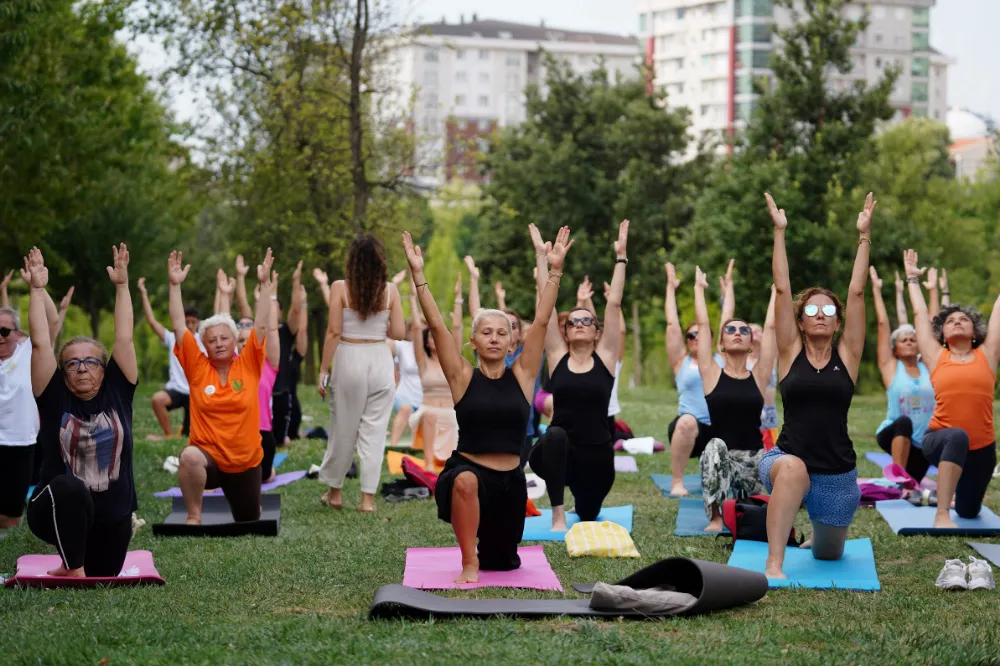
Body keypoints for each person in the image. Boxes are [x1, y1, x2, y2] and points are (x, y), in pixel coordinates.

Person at [406, 225, 566, 584]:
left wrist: (554, 270)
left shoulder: (523, 375)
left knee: (505, 563)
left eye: (502, 333)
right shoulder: (461, 377)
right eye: (485, 332)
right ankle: (468, 562)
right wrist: (419, 276)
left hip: (510, 482)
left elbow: (541, 320)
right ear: (474, 342)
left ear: (513, 344)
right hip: (468, 472)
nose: (494, 338)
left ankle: (488, 555)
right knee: (464, 481)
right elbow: (436, 324)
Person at [760, 192, 874, 579]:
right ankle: (775, 561)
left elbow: (857, 293)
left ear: (838, 322)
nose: (820, 315)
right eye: (812, 310)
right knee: (792, 470)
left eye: (828, 311)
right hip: (787, 458)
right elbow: (781, 288)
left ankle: (817, 536)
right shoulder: (790, 350)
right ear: (801, 320)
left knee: (829, 555)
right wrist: (779, 232)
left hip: (837, 471)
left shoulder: (849, 356)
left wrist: (864, 236)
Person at [24, 245, 138, 577]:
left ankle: (72, 562)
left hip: (112, 516)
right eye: (72, 363)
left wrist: (122, 286)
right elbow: (41, 343)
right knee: (69, 487)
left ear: (105, 368)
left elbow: (125, 338)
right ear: (62, 372)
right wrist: (36, 290)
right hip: (56, 508)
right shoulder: (53, 394)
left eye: (90, 362)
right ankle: (72, 566)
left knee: (105, 573)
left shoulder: (119, 389)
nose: (82, 369)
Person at [529, 220, 629, 530]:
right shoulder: (557, 356)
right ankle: (557, 512)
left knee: (587, 515)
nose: (580, 324)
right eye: (573, 322)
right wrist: (542, 259)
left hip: (597, 457)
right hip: (560, 451)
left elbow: (613, 303)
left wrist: (621, 256)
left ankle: (578, 505)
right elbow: (544, 311)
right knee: (555, 434)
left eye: (587, 320)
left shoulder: (607, 357)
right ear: (566, 332)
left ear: (598, 332)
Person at [171, 249, 280, 525]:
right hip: (209, 460)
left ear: (234, 342)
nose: (218, 343)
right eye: (212, 340)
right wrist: (175, 286)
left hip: (245, 463)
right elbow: (178, 327)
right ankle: (193, 516)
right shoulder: (197, 368)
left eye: (224, 338)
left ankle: (244, 500)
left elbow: (263, 325)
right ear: (204, 346)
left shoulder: (249, 363)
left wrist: (265, 285)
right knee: (189, 457)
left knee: (248, 519)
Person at [903, 248, 1000, 527]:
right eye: (950, 321)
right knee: (956, 436)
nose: (957, 322)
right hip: (940, 440)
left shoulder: (988, 355)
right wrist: (912, 280)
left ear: (975, 332)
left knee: (969, 512)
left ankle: (955, 494)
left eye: (963, 320)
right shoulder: (936, 357)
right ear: (942, 335)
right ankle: (941, 514)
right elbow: (920, 313)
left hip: (982, 449)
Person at [317, 235, 405, 513]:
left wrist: (322, 369)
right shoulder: (390, 290)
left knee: (343, 428)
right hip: (380, 359)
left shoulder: (339, 288)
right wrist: (379, 326)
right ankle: (367, 499)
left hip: (349, 357)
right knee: (375, 432)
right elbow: (399, 333)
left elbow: (333, 332)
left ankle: (336, 493)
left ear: (351, 261)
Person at [694, 270, 777, 532]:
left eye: (744, 330)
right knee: (714, 446)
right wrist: (699, 288)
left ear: (752, 344)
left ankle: (742, 504)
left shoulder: (761, 374)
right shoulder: (710, 372)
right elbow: (703, 325)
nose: (738, 332)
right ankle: (716, 516)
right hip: (721, 459)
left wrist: (777, 293)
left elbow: (773, 328)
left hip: (753, 459)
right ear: (721, 344)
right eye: (730, 330)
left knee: (757, 513)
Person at [0, 268, 67, 528]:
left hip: (20, 443)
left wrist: (38, 288)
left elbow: (52, 322)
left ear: (17, 334)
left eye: (6, 332)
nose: (1, 337)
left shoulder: (27, 353)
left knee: (13, 514)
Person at [663, 261, 732, 497]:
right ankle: (677, 481)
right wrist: (670, 288)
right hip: (690, 429)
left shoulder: (721, 358)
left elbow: (727, 320)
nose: (695, 338)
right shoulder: (681, 361)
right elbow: (672, 324)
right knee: (686, 421)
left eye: (700, 333)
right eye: (690, 335)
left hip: (721, 428)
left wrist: (728, 291)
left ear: (712, 339)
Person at [870, 267, 936, 486]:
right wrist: (877, 290)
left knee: (915, 482)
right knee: (904, 422)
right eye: (903, 340)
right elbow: (882, 324)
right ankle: (897, 475)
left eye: (913, 339)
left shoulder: (929, 366)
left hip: (922, 444)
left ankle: (907, 479)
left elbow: (931, 326)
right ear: (895, 349)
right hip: (893, 433)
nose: (909, 341)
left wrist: (934, 291)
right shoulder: (891, 367)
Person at [407, 274, 464, 471]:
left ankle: (451, 460)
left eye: (436, 336)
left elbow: (457, 327)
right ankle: (429, 463)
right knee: (430, 415)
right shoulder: (423, 361)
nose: (433, 339)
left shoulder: (451, 360)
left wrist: (458, 298)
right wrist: (413, 298)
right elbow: (415, 328)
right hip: (427, 413)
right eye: (429, 336)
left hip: (450, 414)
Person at [137, 277, 201, 440]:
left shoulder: (205, 339)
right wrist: (144, 293)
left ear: (198, 323)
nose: (190, 325)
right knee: (157, 400)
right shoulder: (173, 338)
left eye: (193, 322)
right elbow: (151, 321)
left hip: (197, 393)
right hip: (177, 389)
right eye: (187, 322)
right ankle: (169, 435)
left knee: (190, 436)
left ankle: (185, 431)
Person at [235, 268, 282, 483]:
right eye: (240, 340)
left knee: (263, 478)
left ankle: (269, 471)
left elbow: (270, 329)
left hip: (263, 435)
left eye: (248, 339)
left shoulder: (267, 366)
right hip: (237, 434)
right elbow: (220, 326)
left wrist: (269, 294)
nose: (244, 343)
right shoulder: (230, 365)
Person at [270, 259, 307, 445]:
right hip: (263, 393)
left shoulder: (285, 331)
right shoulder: (255, 333)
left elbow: (296, 310)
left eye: (273, 307)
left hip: (282, 392)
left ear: (281, 312)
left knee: (281, 439)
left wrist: (295, 281)